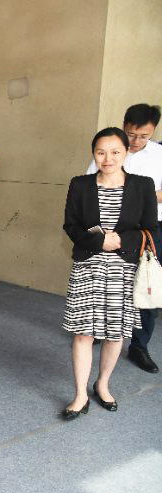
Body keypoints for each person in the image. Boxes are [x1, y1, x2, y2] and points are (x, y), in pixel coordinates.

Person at [62, 127, 157, 419]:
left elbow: (150, 228)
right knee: (83, 333)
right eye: (101, 152)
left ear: (126, 152)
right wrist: (99, 241)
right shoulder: (80, 184)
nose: (108, 158)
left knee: (115, 334)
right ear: (94, 154)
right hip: (88, 265)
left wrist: (120, 241)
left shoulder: (142, 185)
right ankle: (80, 394)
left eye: (115, 152)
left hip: (123, 269)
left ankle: (102, 384)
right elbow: (71, 225)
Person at [86, 104, 162, 374]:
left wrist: (138, 197)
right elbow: (88, 187)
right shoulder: (111, 150)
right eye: (132, 134)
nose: (137, 141)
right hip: (109, 228)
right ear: (124, 126)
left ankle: (139, 346)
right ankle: (98, 329)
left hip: (149, 230)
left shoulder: (159, 155)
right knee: (103, 280)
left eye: (144, 136)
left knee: (146, 285)